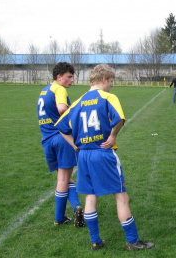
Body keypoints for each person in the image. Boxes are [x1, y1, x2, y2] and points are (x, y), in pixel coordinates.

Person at [55, 64, 155, 251]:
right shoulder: (108, 97)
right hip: (103, 153)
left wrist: (74, 144)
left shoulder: (77, 102)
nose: (111, 86)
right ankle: (132, 241)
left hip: (84, 155)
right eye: (111, 81)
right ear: (103, 80)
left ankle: (95, 241)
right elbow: (119, 119)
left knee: (90, 197)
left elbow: (61, 126)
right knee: (121, 196)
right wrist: (113, 136)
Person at [37, 61, 85, 227]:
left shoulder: (44, 90)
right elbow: (62, 109)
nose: (72, 80)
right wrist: (75, 113)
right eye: (69, 77)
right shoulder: (59, 89)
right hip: (61, 138)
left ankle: (73, 208)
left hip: (47, 140)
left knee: (65, 177)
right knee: (63, 178)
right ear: (59, 77)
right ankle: (62, 215)